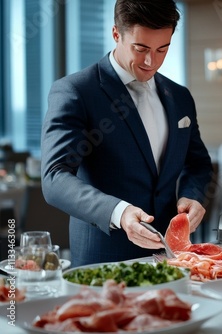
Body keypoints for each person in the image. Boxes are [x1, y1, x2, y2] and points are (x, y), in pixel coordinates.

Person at [41, 0, 213, 267]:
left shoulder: (180, 96)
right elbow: (54, 177)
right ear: (116, 34)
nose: (150, 61)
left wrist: (192, 194)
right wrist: (119, 213)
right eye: (140, 48)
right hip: (102, 260)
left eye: (162, 49)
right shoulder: (76, 91)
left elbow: (198, 162)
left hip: (169, 259)